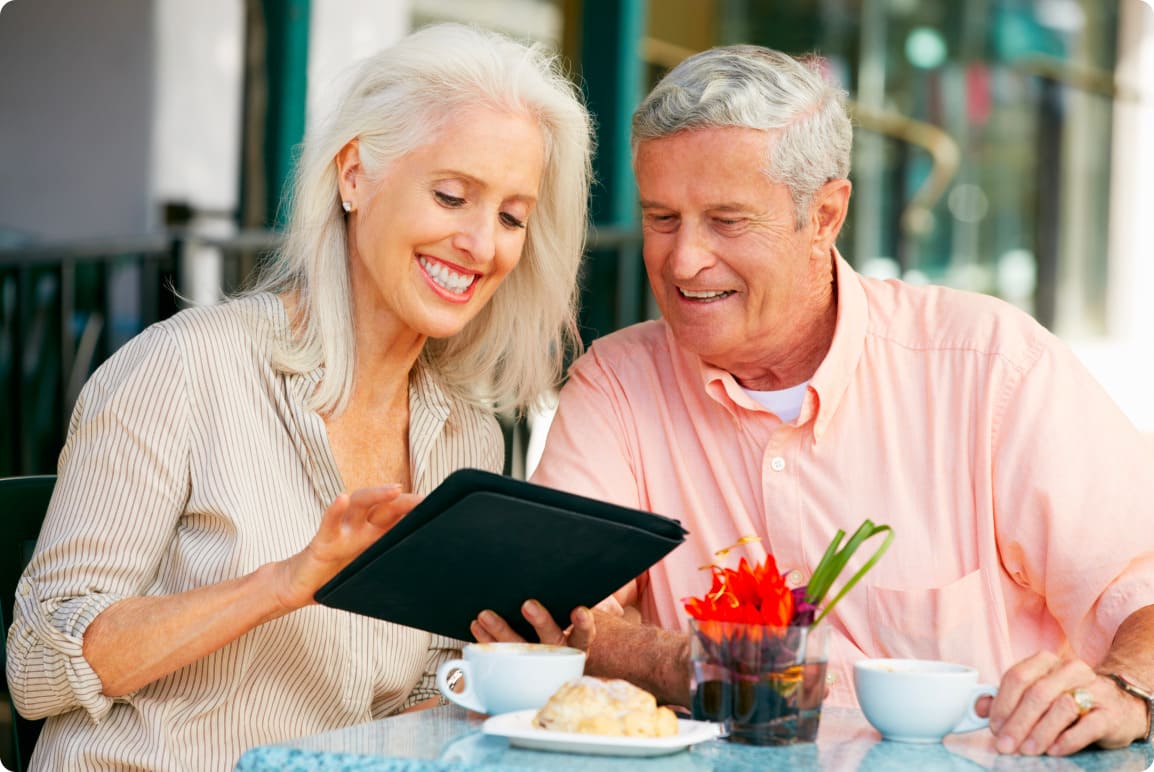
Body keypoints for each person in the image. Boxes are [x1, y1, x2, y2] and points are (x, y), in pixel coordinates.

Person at [472, 44, 1154, 756]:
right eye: (662, 218)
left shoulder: (991, 369)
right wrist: (697, 663)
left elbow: (1141, 587)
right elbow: (566, 624)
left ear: (825, 215)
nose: (684, 260)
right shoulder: (616, 386)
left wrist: (1129, 689)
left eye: (727, 221)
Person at [6, 22, 591, 771]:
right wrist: (284, 583)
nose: (482, 243)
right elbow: (35, 668)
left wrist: (496, 674)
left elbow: (402, 708)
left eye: (512, 216)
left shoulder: (466, 437)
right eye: (452, 196)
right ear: (355, 175)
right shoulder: (184, 369)